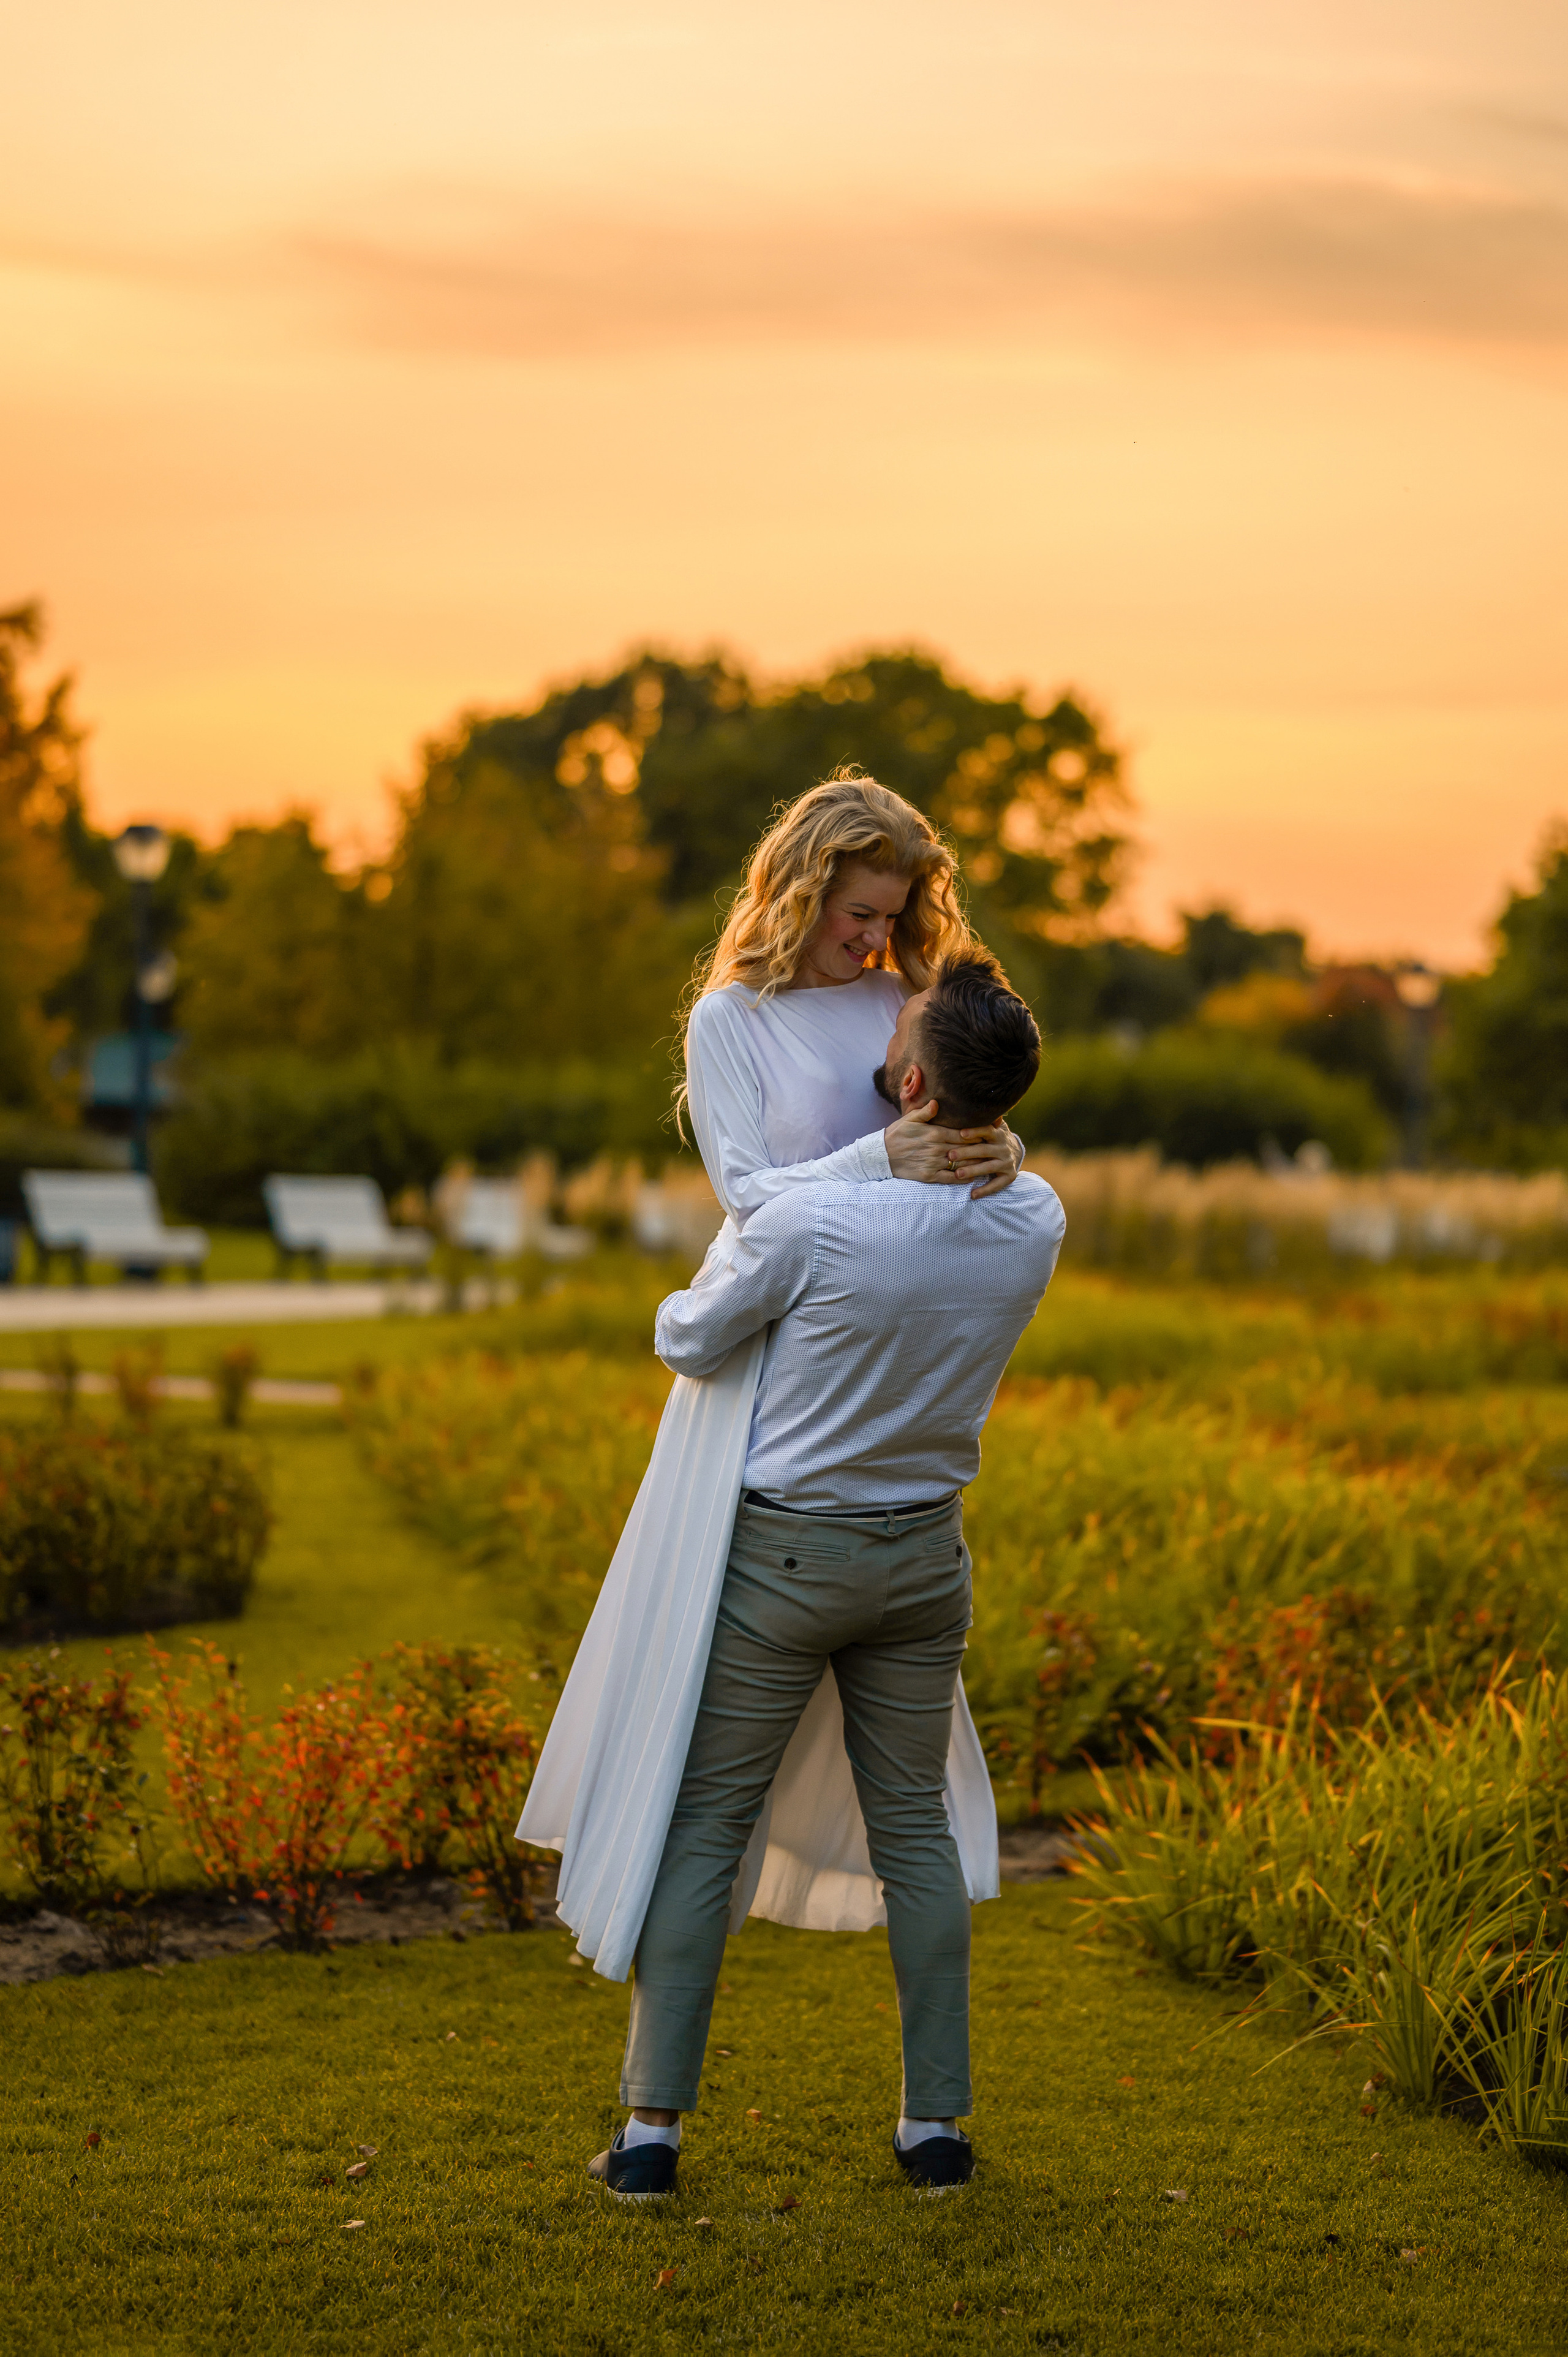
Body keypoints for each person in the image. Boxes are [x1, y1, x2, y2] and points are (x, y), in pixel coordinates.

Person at [519, 774, 1024, 1980]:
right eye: (856, 913)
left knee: (874, 1715)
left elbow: (950, 1131)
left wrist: (995, 1143)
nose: (872, 939)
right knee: (704, 1658)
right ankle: (671, 1900)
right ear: (801, 891)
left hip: (863, 1364)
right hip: (748, 1354)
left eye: (890, 914)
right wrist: (881, 1155)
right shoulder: (729, 1020)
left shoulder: (904, 1000)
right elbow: (746, 1199)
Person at [588, 952, 1065, 2198]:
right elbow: (990, 1182)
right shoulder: (1036, 1216)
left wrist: (843, 1167)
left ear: (906, 1083)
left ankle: (649, 2135)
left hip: (784, 1555)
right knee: (916, 1829)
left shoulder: (811, 1216)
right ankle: (935, 2128)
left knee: (708, 1822)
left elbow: (683, 1335)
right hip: (921, 1558)